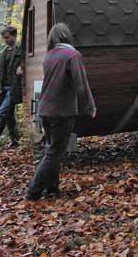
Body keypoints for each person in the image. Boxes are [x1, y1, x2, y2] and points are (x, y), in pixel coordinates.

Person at [26, 23, 96, 201]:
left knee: (52, 150)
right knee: (54, 152)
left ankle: (52, 189)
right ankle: (33, 192)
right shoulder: (72, 55)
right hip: (61, 111)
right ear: (67, 35)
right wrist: (90, 106)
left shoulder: (49, 56)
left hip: (45, 110)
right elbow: (81, 83)